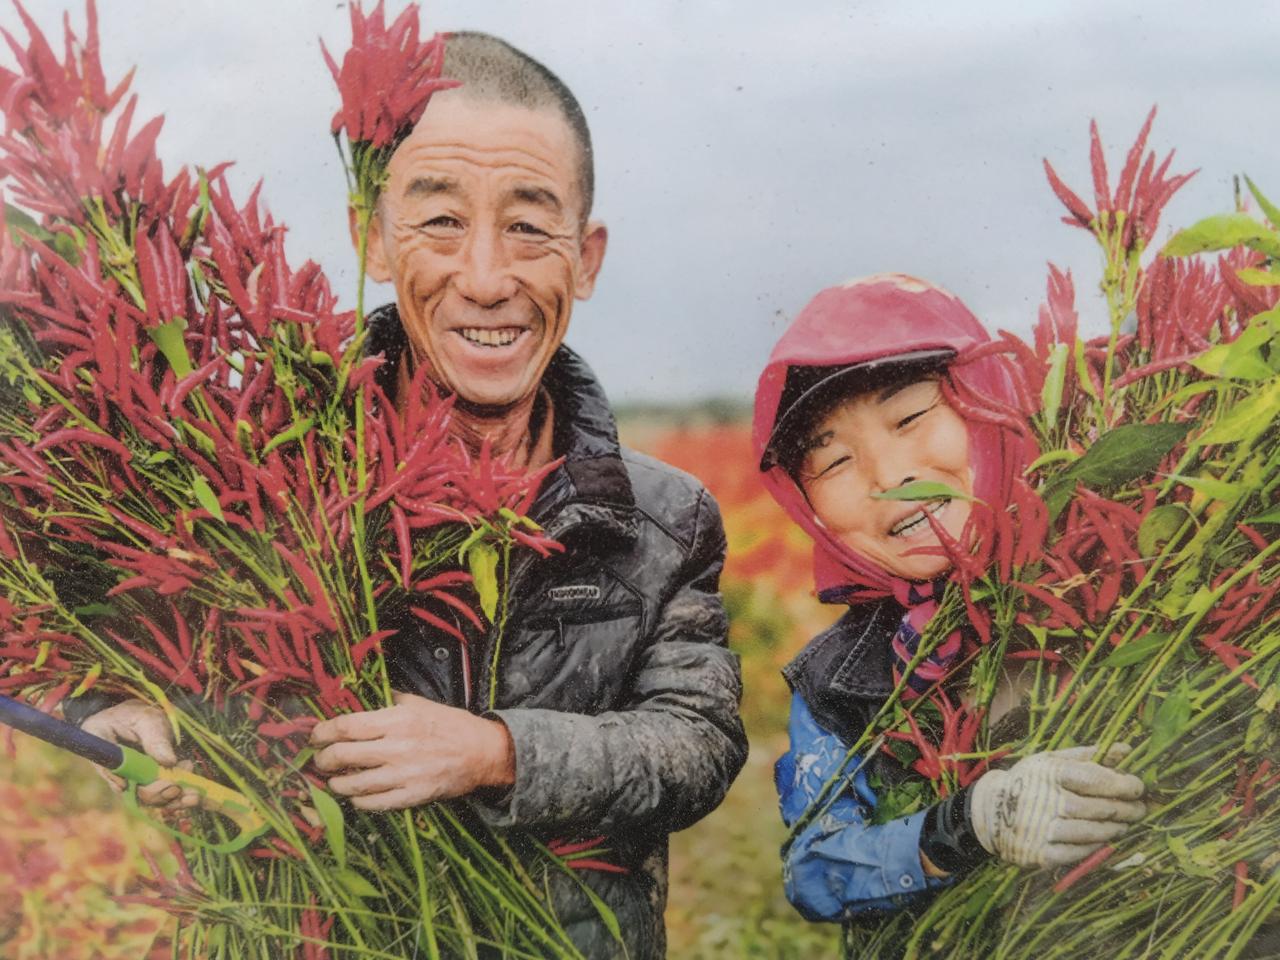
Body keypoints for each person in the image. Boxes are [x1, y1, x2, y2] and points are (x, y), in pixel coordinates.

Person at [73, 32, 747, 959]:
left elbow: (696, 745)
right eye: (438, 221)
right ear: (372, 238)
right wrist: (127, 715)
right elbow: (111, 615)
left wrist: (496, 752)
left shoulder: (663, 518)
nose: (484, 278)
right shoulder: (265, 470)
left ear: (584, 259)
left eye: (528, 224)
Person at [751, 274, 1146, 927]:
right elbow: (814, 869)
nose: (888, 478)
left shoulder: (1127, 574)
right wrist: (966, 824)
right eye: (835, 461)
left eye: (909, 418)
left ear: (985, 402)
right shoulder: (839, 681)